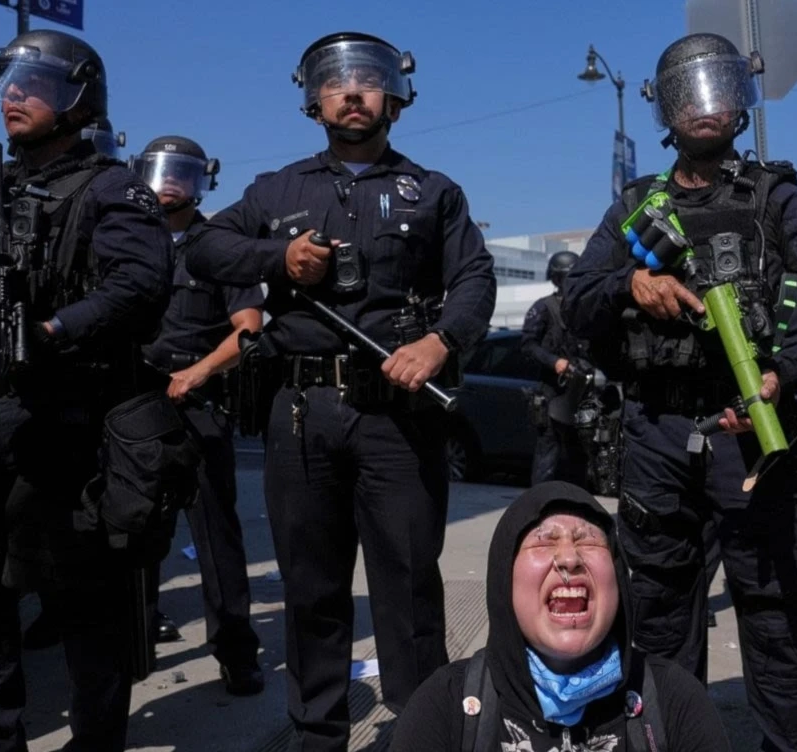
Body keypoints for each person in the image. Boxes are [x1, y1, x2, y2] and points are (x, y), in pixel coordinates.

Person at [184, 31, 497, 749]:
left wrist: (439, 341)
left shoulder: (435, 192)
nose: (352, 92)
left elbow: (475, 278)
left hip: (399, 417)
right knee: (312, 589)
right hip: (301, 416)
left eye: (367, 81)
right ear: (313, 99)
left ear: (395, 97)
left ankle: (423, 731)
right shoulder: (275, 190)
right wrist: (278, 258)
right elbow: (203, 247)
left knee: (410, 584)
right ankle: (316, 733)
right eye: (336, 82)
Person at [564, 33, 797, 752]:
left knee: (773, 609)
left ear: (741, 102)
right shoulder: (636, 208)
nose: (706, 106)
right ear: (667, 110)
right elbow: (578, 299)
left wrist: (783, 372)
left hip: (750, 427)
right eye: (688, 93)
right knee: (659, 612)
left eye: (720, 89)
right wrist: (633, 283)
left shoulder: (775, 200)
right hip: (660, 431)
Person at [0, 29, 173, 749]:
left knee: (88, 621)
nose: (13, 96)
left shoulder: (112, 186)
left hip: (72, 430)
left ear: (77, 98)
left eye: (33, 85)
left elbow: (139, 287)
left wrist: (52, 331)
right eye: (9, 84)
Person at [392, 481, 731, 751]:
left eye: (588, 542)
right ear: (504, 580)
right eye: (543, 543)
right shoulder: (445, 706)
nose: (569, 558)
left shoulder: (674, 701)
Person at [137, 135, 265, 695]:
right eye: (159, 171)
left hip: (198, 407)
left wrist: (198, 373)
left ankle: (237, 651)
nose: (168, 183)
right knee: (132, 531)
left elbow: (250, 331)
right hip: (134, 413)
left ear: (201, 182)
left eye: (182, 174)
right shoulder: (125, 243)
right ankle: (135, 639)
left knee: (216, 538)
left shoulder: (219, 249)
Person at [521, 250, 592, 486]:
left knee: (579, 456)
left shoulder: (583, 308)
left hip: (580, 392)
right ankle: (539, 508)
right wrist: (555, 362)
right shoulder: (544, 307)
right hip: (552, 392)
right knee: (547, 456)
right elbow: (527, 346)